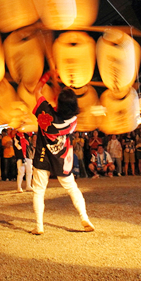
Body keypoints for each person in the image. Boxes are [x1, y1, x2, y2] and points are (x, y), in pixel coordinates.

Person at [32, 71, 94, 235]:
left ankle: (39, 226)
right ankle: (84, 217)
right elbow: (62, 108)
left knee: (39, 190)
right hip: (62, 156)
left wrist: (47, 76)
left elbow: (37, 91)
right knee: (72, 188)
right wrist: (58, 92)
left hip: (43, 154)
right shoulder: (73, 120)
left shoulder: (45, 113)